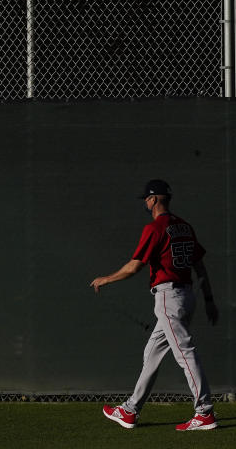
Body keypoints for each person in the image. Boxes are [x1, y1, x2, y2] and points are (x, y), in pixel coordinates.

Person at [90, 179, 220, 431]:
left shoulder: (155, 228)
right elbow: (200, 267)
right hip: (186, 296)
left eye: (147, 199)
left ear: (154, 199)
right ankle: (130, 410)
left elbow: (135, 266)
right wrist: (208, 300)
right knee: (151, 354)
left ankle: (204, 411)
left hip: (168, 297)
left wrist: (106, 279)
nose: (145, 203)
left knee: (185, 353)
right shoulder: (184, 226)